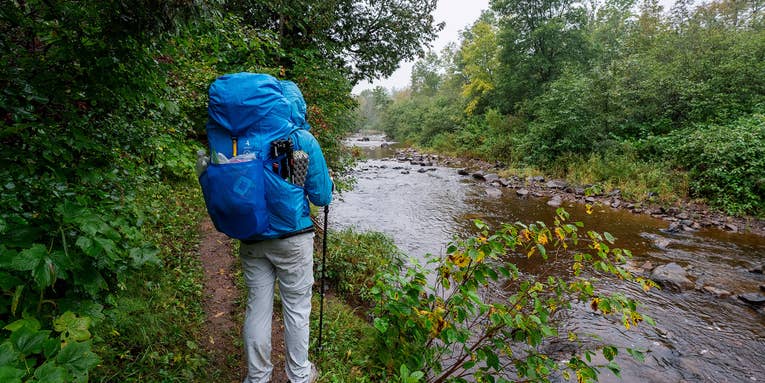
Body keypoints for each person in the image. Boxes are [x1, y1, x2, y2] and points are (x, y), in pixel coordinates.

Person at [237, 80, 333, 383]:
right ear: (297, 106)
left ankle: (258, 377)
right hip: (293, 238)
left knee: (257, 308)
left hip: (252, 236)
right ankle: (300, 376)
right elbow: (320, 196)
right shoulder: (300, 140)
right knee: (296, 309)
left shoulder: (244, 138)